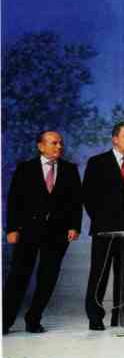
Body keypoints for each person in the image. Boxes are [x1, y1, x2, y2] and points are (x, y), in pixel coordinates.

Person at [3, 131, 82, 334]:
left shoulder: (70, 169)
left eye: (60, 143)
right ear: (41, 146)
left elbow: (76, 203)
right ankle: (5, 320)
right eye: (54, 143)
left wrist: (74, 226)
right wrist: (11, 229)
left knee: (47, 278)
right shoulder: (25, 169)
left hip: (58, 233)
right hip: (28, 231)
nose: (59, 147)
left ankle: (34, 319)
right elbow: (14, 201)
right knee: (18, 276)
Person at [83, 122, 124, 331]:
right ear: (115, 138)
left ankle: (119, 316)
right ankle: (95, 316)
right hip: (103, 230)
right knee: (99, 274)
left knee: (123, 275)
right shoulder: (97, 162)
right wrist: (102, 223)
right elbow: (88, 196)